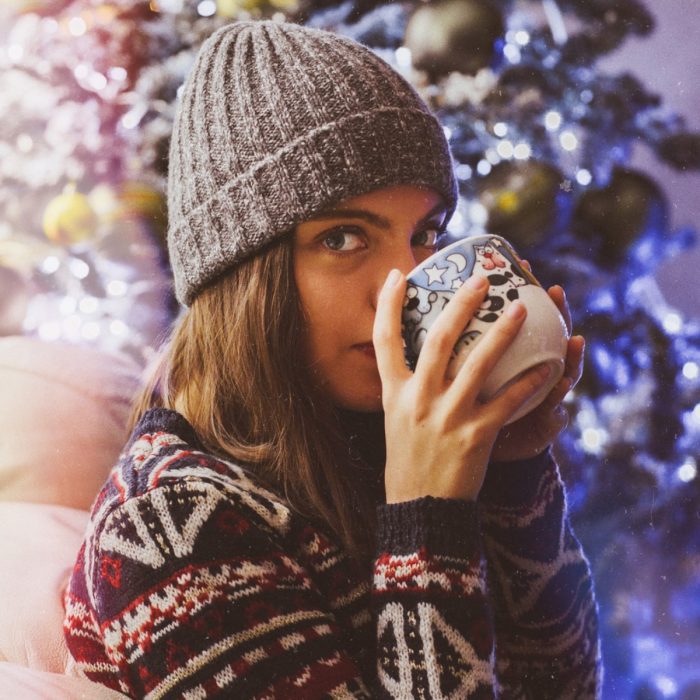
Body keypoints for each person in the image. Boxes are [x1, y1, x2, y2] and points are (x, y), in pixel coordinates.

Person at [63, 19, 602, 699]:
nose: (404, 288)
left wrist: (516, 476)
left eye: (424, 235)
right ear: (243, 275)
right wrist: (425, 515)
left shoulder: (374, 444)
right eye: (344, 238)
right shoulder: (167, 531)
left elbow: (567, 689)